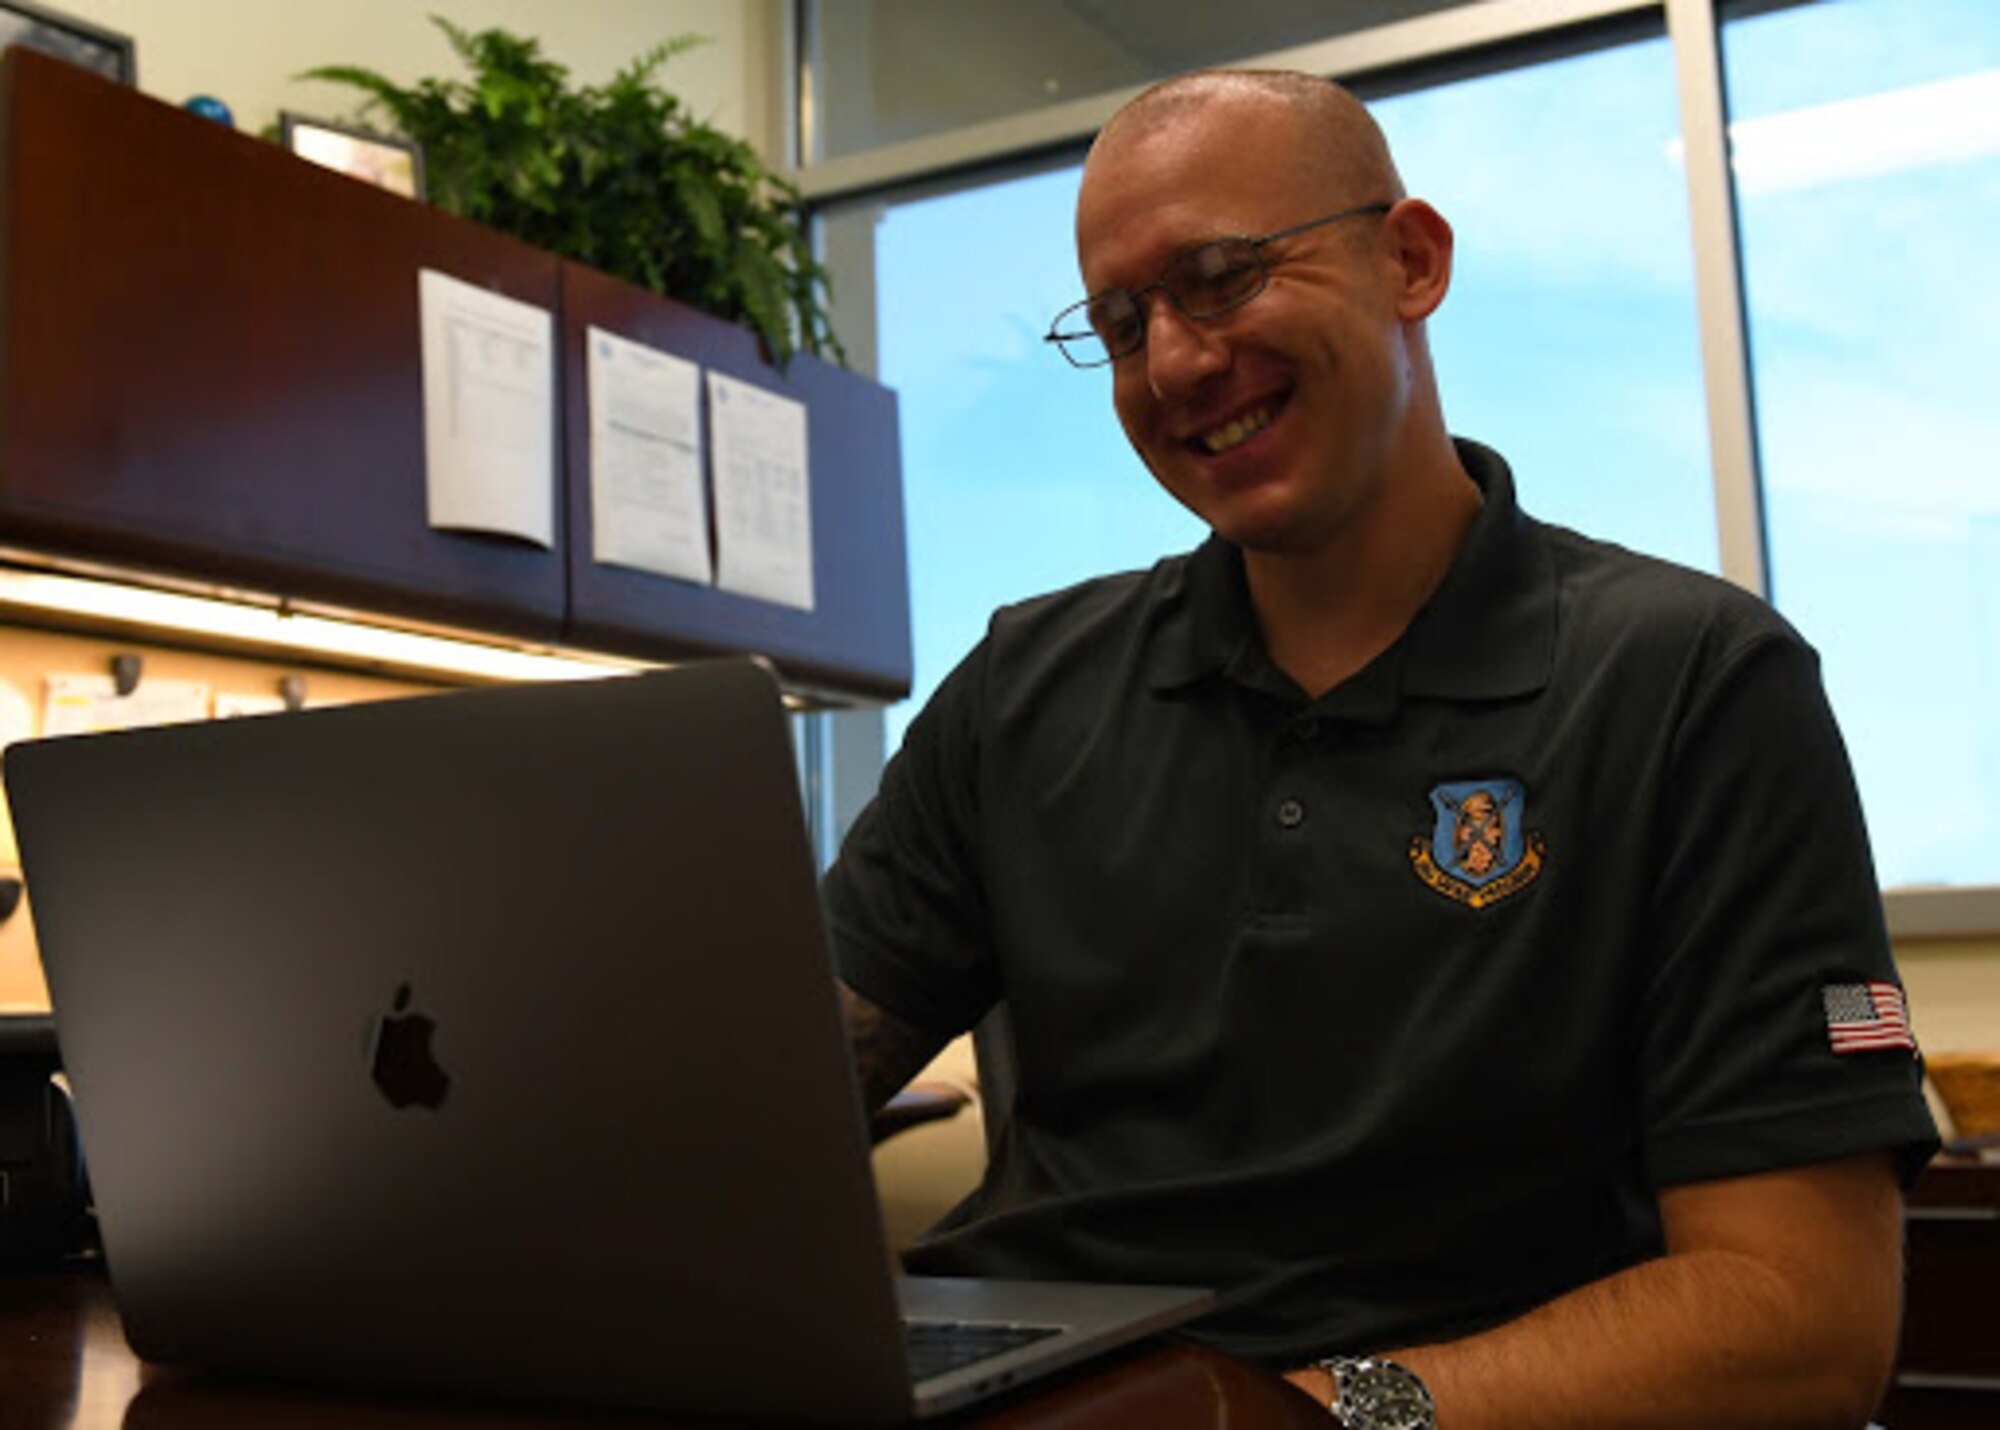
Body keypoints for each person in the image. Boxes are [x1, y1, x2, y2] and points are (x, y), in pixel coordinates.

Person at [824, 69, 1937, 1428]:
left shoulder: (1694, 683)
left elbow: (1803, 1321)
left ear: (1410, 260)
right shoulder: (1022, 690)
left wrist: (1304, 1415)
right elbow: (771, 1080)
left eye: (1222, 277)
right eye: (1122, 322)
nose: (1173, 362)